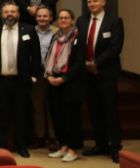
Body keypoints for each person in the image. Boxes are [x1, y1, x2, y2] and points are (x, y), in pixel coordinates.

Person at [0, 1, 42, 158]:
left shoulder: (29, 29)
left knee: (21, 116)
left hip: (21, 81)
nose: (9, 14)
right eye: (6, 12)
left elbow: (36, 55)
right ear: (2, 15)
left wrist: (33, 77)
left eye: (12, 12)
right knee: (1, 116)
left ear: (18, 14)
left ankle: (21, 146)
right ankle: (2, 147)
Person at [78, 0, 124, 163]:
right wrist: (86, 64)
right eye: (89, 1)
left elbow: (116, 47)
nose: (92, 4)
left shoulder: (115, 21)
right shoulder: (82, 21)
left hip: (106, 73)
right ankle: (101, 144)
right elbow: (78, 44)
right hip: (87, 73)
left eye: (95, 1)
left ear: (103, 2)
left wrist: (96, 63)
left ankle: (116, 147)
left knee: (110, 110)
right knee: (94, 111)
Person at [46, 9, 86, 163]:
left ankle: (73, 150)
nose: (63, 20)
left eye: (66, 18)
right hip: (54, 82)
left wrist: (64, 78)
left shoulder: (78, 37)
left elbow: (79, 63)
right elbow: (50, 57)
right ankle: (63, 146)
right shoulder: (55, 37)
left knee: (71, 118)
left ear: (72, 20)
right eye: (61, 18)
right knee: (57, 117)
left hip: (71, 83)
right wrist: (50, 75)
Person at [30, 5, 56, 150]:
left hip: (54, 74)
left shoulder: (59, 31)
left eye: (45, 16)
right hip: (37, 73)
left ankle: (53, 138)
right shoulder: (30, 31)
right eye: (39, 16)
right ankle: (40, 137)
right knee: (37, 106)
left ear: (51, 18)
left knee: (52, 106)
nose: (42, 18)